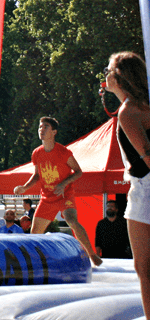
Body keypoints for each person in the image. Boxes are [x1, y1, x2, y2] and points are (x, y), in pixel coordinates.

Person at [13, 116, 102, 265]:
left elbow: (78, 171)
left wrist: (64, 184)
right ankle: (33, 261)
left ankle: (91, 254)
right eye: (40, 127)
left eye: (45, 127)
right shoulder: (37, 153)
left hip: (64, 195)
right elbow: (37, 175)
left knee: (72, 220)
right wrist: (25, 187)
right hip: (47, 198)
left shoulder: (63, 152)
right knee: (34, 233)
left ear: (54, 132)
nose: (41, 129)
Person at [104, 51, 150, 315]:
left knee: (144, 268)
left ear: (120, 77)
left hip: (145, 190)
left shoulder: (129, 112)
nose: (106, 75)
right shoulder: (143, 106)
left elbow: (147, 156)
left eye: (109, 70)